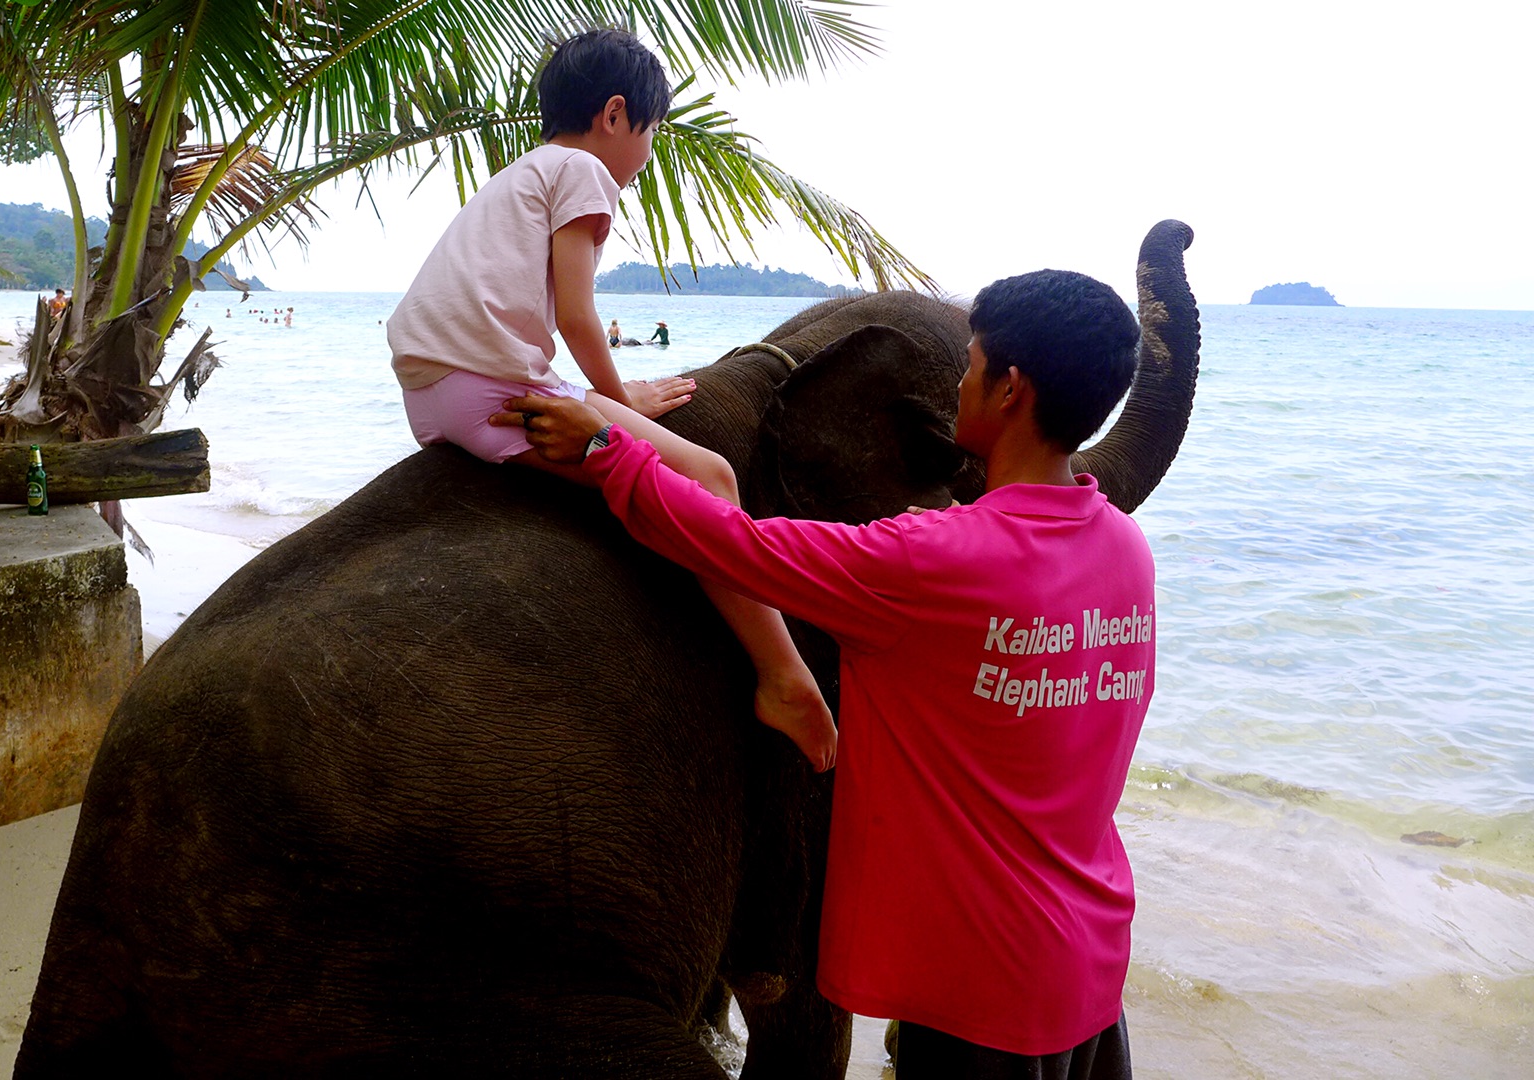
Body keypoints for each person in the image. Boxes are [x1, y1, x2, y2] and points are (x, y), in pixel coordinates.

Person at [497, 268, 1154, 1079]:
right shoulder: (1126, 550)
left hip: (982, 992)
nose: (960, 380)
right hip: (1093, 967)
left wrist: (603, 449)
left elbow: (735, 544)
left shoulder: (934, 562)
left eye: (972, 362)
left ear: (1010, 388)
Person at [386, 28, 836, 769]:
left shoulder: (519, 173)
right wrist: (614, 395)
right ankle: (785, 678)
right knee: (709, 477)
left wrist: (612, 404)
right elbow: (576, 314)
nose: (648, 155)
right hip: (494, 389)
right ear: (616, 114)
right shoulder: (583, 172)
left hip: (433, 393)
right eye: (653, 133)